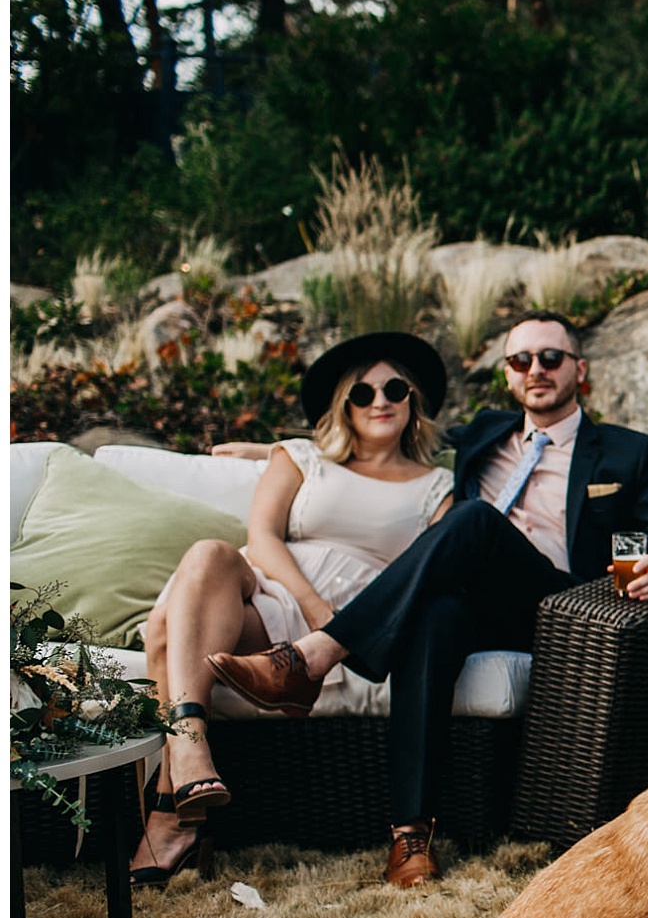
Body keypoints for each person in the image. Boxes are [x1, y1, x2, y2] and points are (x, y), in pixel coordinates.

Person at [208, 311, 648, 888]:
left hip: (564, 608)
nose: (535, 370)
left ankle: (315, 655)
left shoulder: (626, 451)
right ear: (508, 375)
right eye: (520, 361)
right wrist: (275, 452)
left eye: (550, 358)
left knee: (471, 520)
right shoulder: (484, 433)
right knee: (433, 616)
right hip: (481, 605)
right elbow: (386, 431)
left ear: (579, 370)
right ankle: (410, 837)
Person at [129, 332, 455, 887]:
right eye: (363, 392)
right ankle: (188, 751)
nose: (380, 401)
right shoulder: (302, 456)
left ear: (413, 402)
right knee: (210, 553)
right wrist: (311, 601)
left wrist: (332, 618)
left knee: (165, 630)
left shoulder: (438, 485)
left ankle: (171, 808)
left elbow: (431, 568)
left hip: (353, 620)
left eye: (395, 389)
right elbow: (263, 535)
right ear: (343, 405)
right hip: (275, 594)